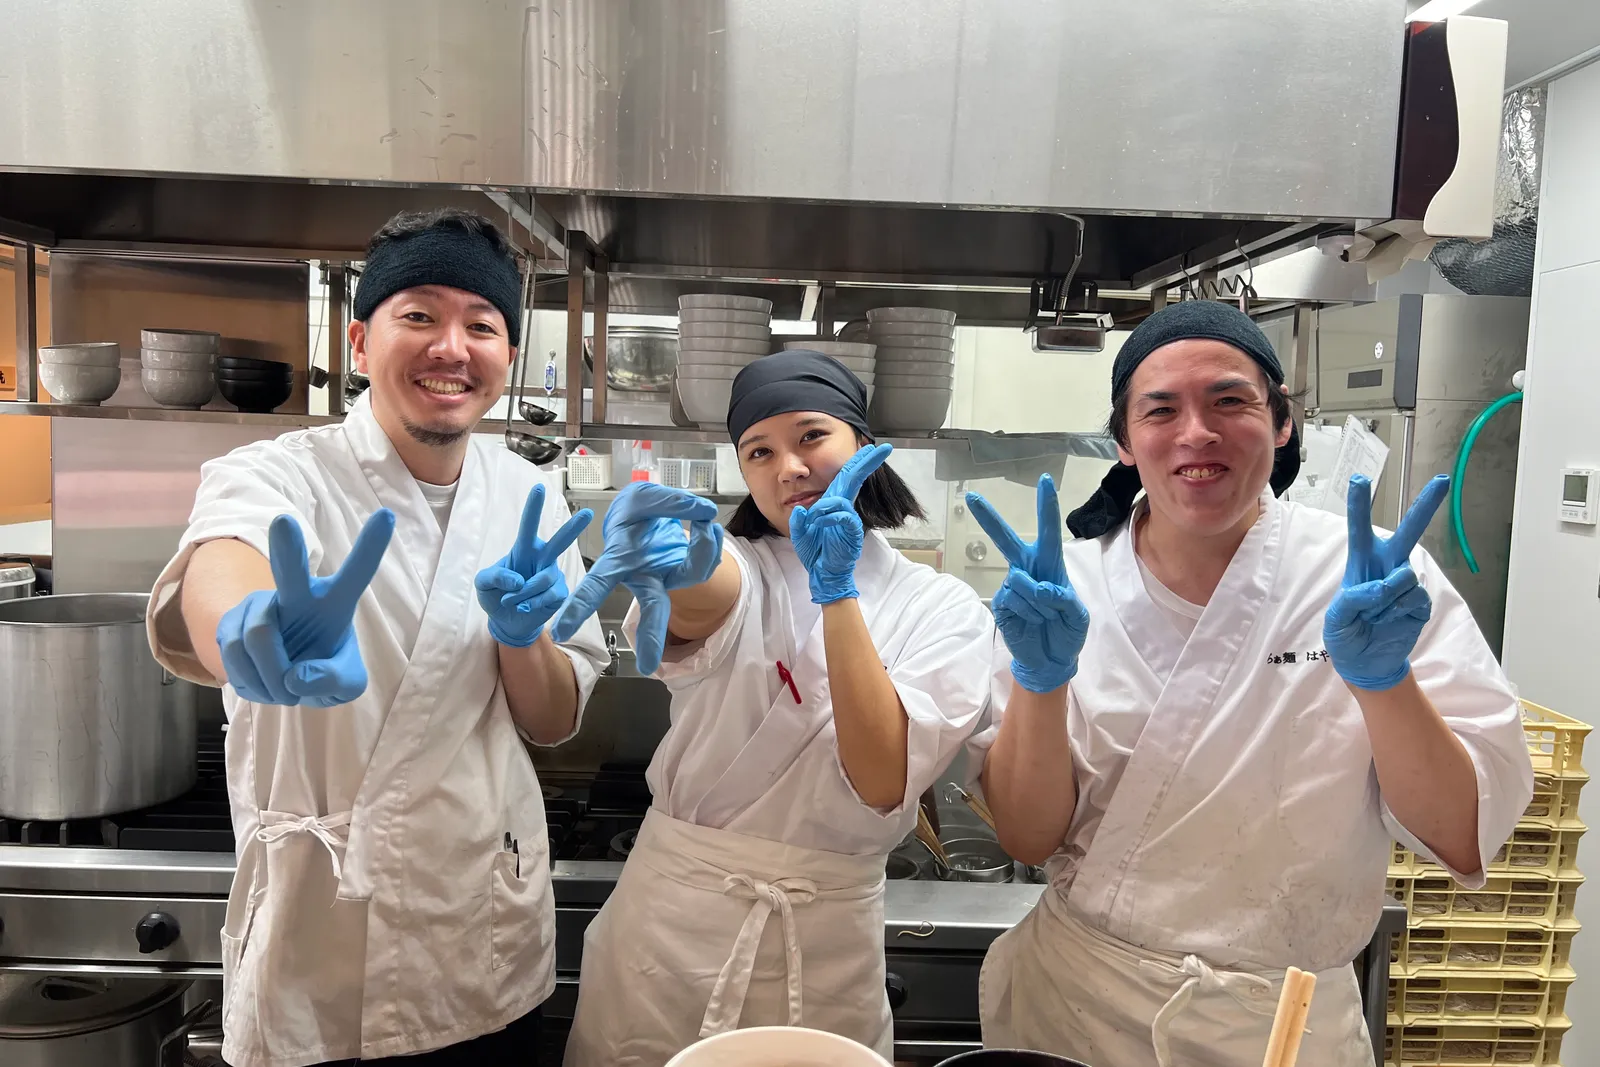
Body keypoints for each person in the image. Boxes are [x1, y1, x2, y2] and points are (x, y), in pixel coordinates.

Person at [964, 300, 1534, 1067]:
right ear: (1124, 441)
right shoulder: (1062, 591)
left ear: (1282, 421)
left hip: (1283, 1024)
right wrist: (1041, 681)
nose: (1197, 432)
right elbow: (1027, 837)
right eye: (1161, 409)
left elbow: (1461, 833)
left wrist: (1385, 681)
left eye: (1229, 400)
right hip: (1084, 1009)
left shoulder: (1372, 580)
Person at [144, 208, 609, 1067]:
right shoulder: (281, 471)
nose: (452, 347)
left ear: (508, 355)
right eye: (420, 315)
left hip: (476, 933)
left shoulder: (531, 499)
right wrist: (249, 625)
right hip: (316, 943)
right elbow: (225, 558)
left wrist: (521, 638)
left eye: (482, 325)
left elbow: (549, 722)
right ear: (360, 342)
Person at [549, 351, 995, 1065]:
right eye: (759, 451)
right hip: (670, 932)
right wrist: (678, 564)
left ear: (862, 443)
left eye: (811, 436)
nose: (788, 467)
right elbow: (709, 593)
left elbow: (882, 777)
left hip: (824, 944)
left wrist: (836, 591)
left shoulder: (943, 609)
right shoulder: (739, 563)